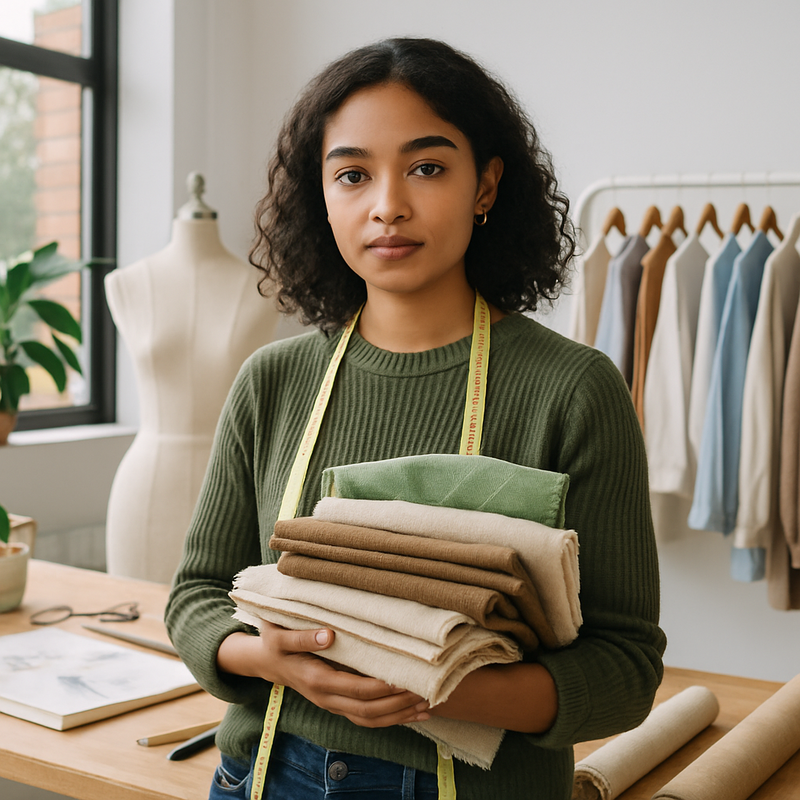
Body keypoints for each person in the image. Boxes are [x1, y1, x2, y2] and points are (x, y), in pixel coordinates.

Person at [165, 37, 666, 800]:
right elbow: (197, 594)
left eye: (427, 167)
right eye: (353, 174)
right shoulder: (273, 381)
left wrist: (437, 684)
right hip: (264, 773)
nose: (387, 204)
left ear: (486, 185)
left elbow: (624, 668)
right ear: (322, 195)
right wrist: (268, 659)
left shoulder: (573, 391)